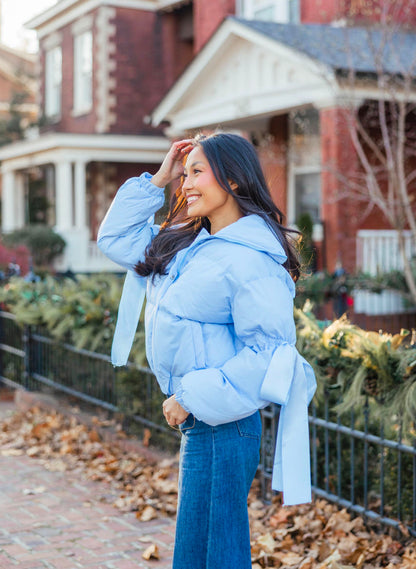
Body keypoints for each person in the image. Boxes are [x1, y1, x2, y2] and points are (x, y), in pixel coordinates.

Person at [97, 133, 316, 569]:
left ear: (234, 181)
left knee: (218, 552)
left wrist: (188, 397)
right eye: (185, 173)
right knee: (197, 549)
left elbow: (270, 354)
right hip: (205, 422)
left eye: (198, 172)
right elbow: (115, 239)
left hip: (226, 424)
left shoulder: (252, 260)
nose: (186, 183)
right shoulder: (189, 246)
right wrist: (159, 178)